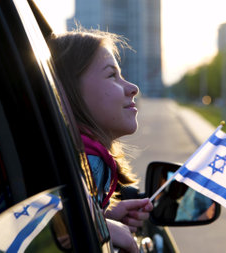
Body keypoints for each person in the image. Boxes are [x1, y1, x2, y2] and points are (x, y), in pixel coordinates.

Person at [47, 28, 153, 252]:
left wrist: (105, 216)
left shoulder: (61, 153)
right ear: (67, 91)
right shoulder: (87, 162)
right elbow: (63, 236)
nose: (133, 88)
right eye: (111, 75)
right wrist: (100, 228)